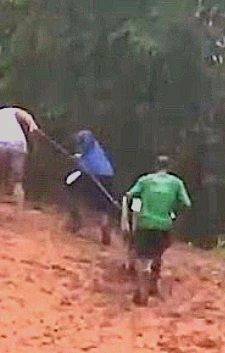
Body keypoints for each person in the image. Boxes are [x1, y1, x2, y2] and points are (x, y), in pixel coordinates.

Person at [123, 154, 192, 304]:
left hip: (145, 223)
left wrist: (133, 210)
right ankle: (153, 285)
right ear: (169, 167)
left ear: (155, 166)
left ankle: (143, 292)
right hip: (164, 225)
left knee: (142, 257)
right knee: (157, 253)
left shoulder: (145, 180)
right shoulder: (176, 183)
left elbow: (129, 195)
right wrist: (173, 210)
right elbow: (186, 203)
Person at [0, 105, 42, 211]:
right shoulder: (7, 111)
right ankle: (19, 208)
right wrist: (32, 124)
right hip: (19, 145)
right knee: (17, 180)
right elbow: (24, 114)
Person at [65, 130, 117, 246]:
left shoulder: (86, 144)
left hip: (92, 174)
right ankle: (104, 225)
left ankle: (76, 219)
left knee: (71, 187)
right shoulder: (97, 148)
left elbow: (82, 162)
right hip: (108, 174)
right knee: (103, 205)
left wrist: (77, 159)